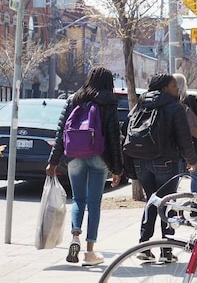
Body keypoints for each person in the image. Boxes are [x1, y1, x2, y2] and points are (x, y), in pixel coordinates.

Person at [46, 67, 122, 267]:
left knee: (78, 199)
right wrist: (117, 169)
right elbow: (114, 138)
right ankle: (89, 252)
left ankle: (75, 236)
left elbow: (61, 131)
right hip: (99, 157)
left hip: (74, 157)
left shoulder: (74, 99)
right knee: (94, 203)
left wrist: (53, 162)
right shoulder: (109, 102)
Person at [126, 73, 196, 263]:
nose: (177, 89)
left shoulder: (140, 104)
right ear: (165, 88)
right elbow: (184, 138)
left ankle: (144, 246)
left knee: (152, 201)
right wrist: (191, 159)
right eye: (174, 86)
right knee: (167, 203)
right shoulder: (175, 107)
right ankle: (167, 250)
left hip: (140, 162)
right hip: (165, 161)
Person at [174, 73, 197, 193]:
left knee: (174, 178)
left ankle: (173, 205)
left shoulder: (171, 101)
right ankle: (194, 205)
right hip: (193, 142)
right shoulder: (191, 99)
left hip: (175, 144)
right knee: (195, 176)